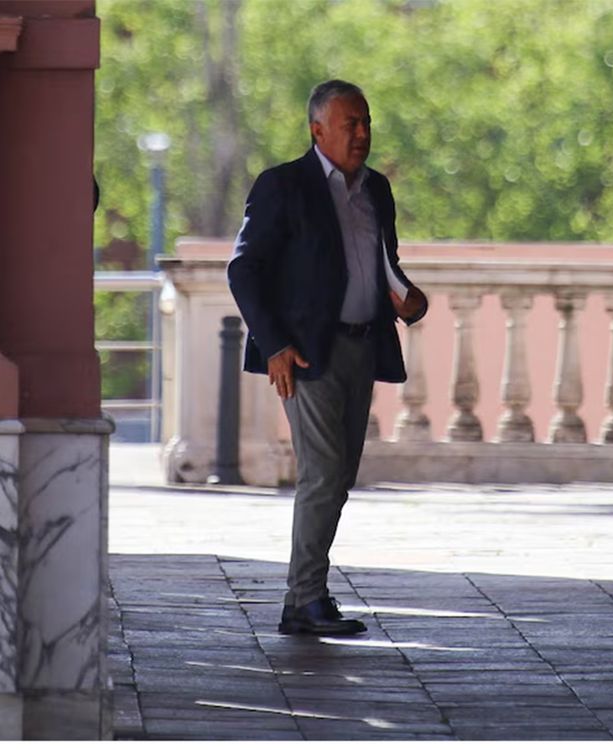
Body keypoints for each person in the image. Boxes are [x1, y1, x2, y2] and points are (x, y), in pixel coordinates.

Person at [228, 79, 428, 636]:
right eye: (350, 124)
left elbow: (384, 268)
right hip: (306, 353)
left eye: (366, 123)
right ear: (317, 130)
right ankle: (304, 600)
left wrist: (410, 300)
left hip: (363, 347)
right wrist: (274, 345)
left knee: (338, 476)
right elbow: (243, 269)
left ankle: (307, 596)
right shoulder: (282, 186)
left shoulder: (377, 191)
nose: (362, 134)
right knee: (322, 475)